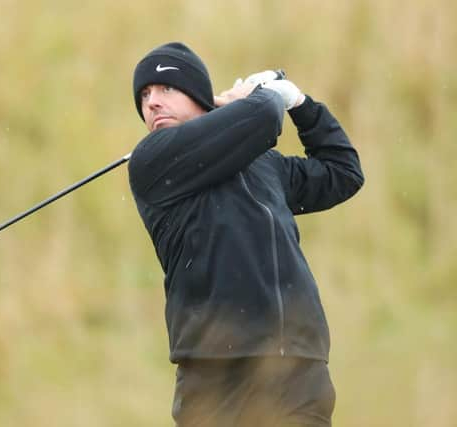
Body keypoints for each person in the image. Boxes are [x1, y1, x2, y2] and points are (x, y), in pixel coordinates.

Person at [127, 42, 364, 427]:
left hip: (297, 371)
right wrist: (266, 97)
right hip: (216, 377)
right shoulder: (152, 162)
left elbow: (343, 173)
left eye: (166, 88)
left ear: (200, 96)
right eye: (144, 95)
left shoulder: (265, 165)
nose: (152, 102)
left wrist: (300, 103)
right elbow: (264, 115)